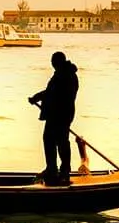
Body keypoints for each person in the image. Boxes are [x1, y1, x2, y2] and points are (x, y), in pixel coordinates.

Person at [28, 50, 80, 185]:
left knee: (61, 142)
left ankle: (63, 172)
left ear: (58, 62)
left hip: (61, 114)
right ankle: (52, 168)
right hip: (55, 114)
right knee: (50, 140)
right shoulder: (62, 73)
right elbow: (50, 92)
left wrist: (37, 97)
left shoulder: (66, 75)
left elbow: (54, 94)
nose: (52, 64)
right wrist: (37, 97)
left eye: (53, 61)